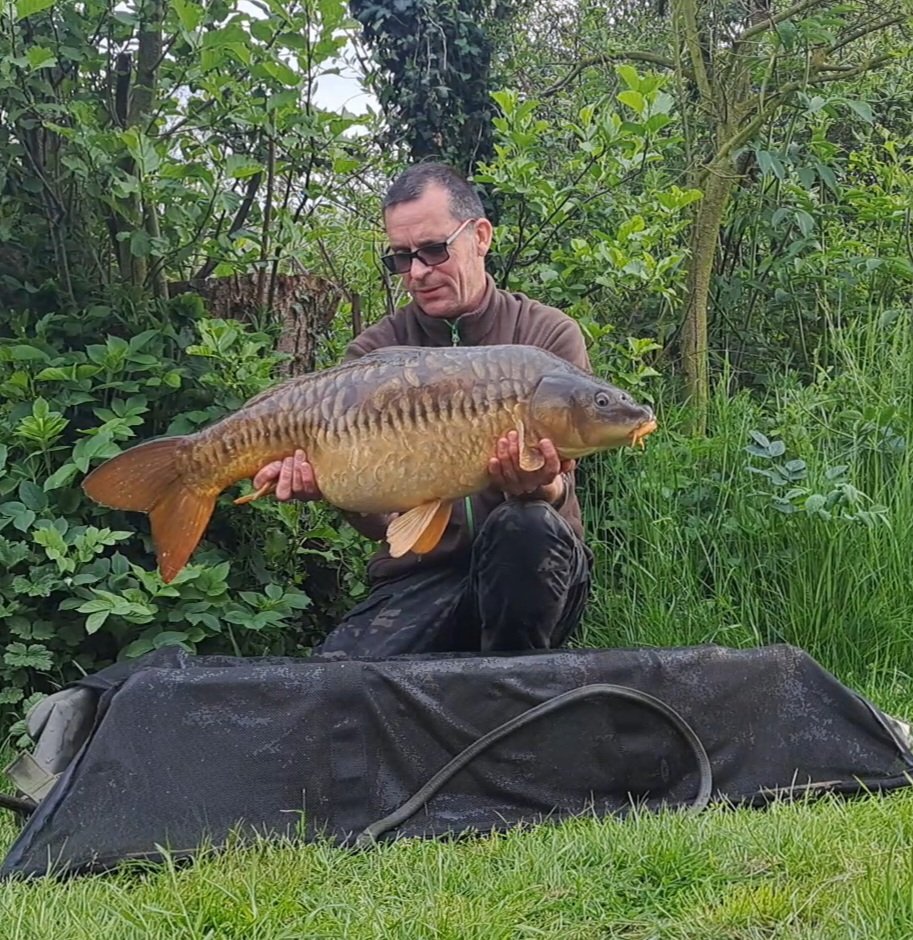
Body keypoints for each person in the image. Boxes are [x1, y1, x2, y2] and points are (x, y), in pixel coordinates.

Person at [253, 162, 595, 657]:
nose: (417, 273)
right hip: (420, 574)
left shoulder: (544, 336)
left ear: (480, 236)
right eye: (401, 257)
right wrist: (331, 487)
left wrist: (543, 486)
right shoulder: (371, 359)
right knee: (342, 684)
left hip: (536, 568)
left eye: (434, 250)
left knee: (526, 525)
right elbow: (388, 527)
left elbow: (561, 486)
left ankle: (513, 688)